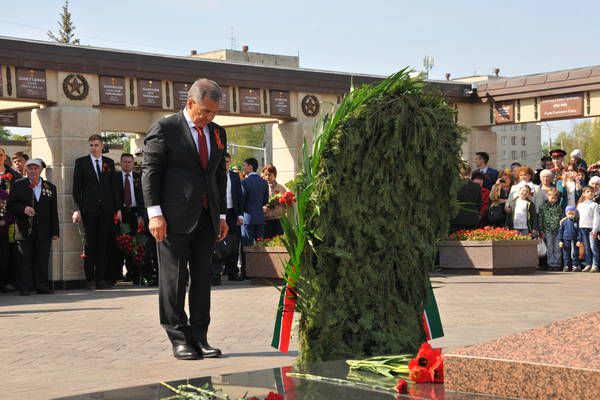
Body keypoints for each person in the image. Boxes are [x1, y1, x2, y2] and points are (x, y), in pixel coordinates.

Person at [143, 78, 228, 361]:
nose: (208, 118)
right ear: (190, 103)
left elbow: (218, 174)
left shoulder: (217, 133)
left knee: (203, 278)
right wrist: (155, 213)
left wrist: (222, 214)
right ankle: (179, 338)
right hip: (172, 219)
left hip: (206, 218)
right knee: (174, 279)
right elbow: (151, 172)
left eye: (214, 113)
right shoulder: (165, 129)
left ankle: (200, 336)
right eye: (204, 111)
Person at [72, 134, 122, 290]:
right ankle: (90, 279)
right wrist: (77, 209)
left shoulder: (108, 163)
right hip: (89, 210)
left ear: (102, 146)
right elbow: (76, 189)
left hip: (106, 210)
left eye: (96, 145)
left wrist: (118, 209)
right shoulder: (81, 162)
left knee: (103, 244)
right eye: (91, 145)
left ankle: (101, 278)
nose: (93, 148)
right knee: (90, 244)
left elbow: (114, 187)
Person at [7, 158, 59, 295]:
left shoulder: (50, 187)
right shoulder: (18, 184)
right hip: (24, 230)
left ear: (41, 169)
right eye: (30, 168)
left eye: (35, 168)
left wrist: (55, 231)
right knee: (24, 260)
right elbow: (10, 206)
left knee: (42, 259)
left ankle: (41, 286)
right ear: (26, 170)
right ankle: (25, 287)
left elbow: (54, 211)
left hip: (44, 230)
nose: (32, 171)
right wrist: (23, 209)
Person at [113, 153, 146, 283]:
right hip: (120, 213)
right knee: (120, 243)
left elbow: (143, 198)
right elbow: (113, 195)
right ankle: (116, 274)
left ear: (133, 163)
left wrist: (141, 216)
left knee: (135, 244)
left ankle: (134, 274)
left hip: (135, 213)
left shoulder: (139, 177)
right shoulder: (115, 178)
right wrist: (117, 210)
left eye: (130, 162)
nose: (127, 164)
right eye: (125, 162)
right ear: (120, 163)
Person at [240, 157, 269, 278]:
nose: (243, 168)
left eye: (244, 165)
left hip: (247, 218)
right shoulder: (263, 182)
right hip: (260, 218)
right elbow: (265, 201)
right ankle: (260, 270)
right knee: (260, 245)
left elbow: (242, 200)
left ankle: (246, 272)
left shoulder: (245, 182)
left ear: (250, 167)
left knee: (246, 246)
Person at [0, 146, 21, 292]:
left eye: (0, 155)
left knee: (7, 253)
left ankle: (7, 282)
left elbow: (18, 198)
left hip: (8, 220)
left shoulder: (14, 175)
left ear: (4, 156)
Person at [223, 153, 243, 281]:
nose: (226, 164)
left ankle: (232, 271)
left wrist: (240, 215)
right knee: (218, 242)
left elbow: (240, 197)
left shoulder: (235, 177)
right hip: (219, 213)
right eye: (224, 161)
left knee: (235, 242)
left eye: (228, 161)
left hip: (232, 213)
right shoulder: (214, 175)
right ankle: (216, 271)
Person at [450, 164, 481, 232]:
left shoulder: (455, 186)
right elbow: (479, 204)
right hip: (472, 218)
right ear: (470, 172)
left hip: (457, 219)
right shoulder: (477, 186)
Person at [538, 188, 564, 271]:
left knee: (557, 247)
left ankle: (557, 264)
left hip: (557, 230)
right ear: (547, 196)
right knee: (549, 248)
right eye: (551, 197)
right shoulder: (543, 207)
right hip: (548, 230)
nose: (553, 199)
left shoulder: (559, 207)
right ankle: (550, 263)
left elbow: (562, 219)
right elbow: (541, 219)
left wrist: (562, 230)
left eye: (555, 198)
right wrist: (541, 230)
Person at [577, 186, 600, 273]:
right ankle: (588, 264)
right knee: (586, 247)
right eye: (588, 191)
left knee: (593, 246)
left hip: (591, 228)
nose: (590, 193)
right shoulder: (580, 205)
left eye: (591, 191)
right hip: (582, 228)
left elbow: (596, 218)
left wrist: (595, 229)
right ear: (583, 194)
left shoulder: (595, 205)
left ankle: (595, 264)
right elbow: (578, 217)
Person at [262, 164, 286, 238]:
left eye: (270, 175)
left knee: (279, 243)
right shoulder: (261, 188)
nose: (267, 177)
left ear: (274, 175)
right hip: (266, 220)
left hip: (278, 220)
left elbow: (286, 204)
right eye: (265, 175)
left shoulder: (281, 188)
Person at [558, 206, 583, 272]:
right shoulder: (564, 222)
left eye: (573, 214)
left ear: (575, 214)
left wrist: (579, 240)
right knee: (566, 253)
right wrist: (560, 241)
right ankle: (566, 266)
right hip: (566, 239)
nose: (571, 215)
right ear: (566, 214)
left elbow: (579, 232)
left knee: (575, 253)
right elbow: (560, 232)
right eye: (569, 213)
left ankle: (575, 266)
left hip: (574, 240)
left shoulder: (576, 222)